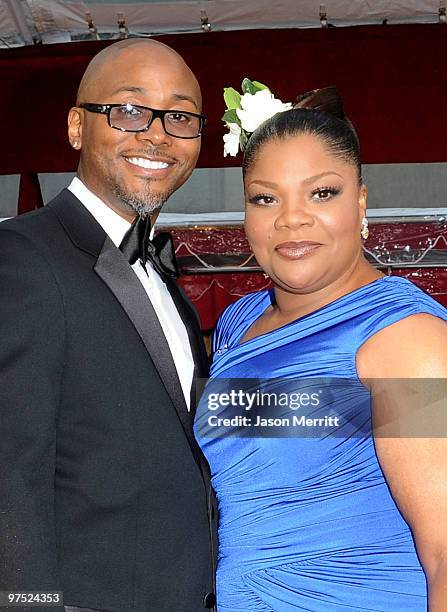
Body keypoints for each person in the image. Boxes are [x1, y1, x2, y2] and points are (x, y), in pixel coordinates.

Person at [194, 87, 447, 610]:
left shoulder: (405, 337)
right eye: (266, 197)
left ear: (360, 201)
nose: (291, 218)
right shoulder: (238, 324)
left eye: (322, 193)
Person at [0, 39, 216, 612]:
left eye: (180, 116)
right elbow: (9, 473)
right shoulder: (19, 258)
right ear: (77, 126)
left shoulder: (166, 280)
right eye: (128, 109)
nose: (157, 133)